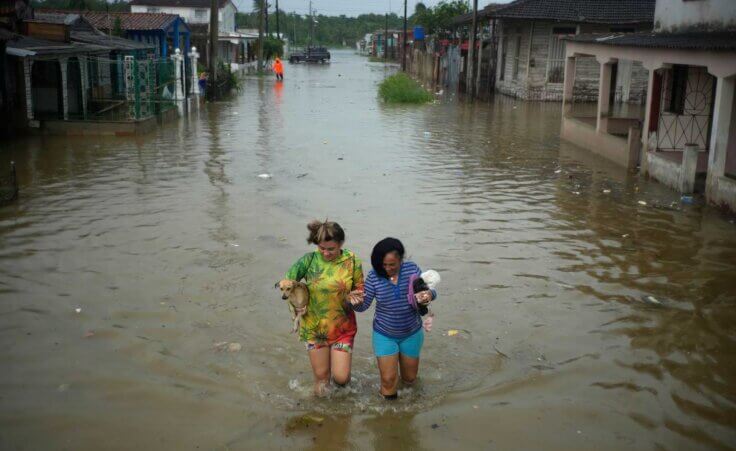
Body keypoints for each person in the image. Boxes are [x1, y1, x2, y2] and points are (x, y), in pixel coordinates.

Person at [284, 220, 363, 395]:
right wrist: (297, 306)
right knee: (322, 379)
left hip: (343, 328)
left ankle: (342, 406)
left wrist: (355, 298)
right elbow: (287, 283)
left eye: (331, 249)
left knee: (341, 378)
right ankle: (320, 418)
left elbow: (360, 289)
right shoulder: (309, 260)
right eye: (322, 248)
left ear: (341, 244)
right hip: (313, 328)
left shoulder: (352, 260)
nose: (326, 253)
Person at [352, 238, 436, 399]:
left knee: (410, 379)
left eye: (392, 265)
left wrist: (429, 295)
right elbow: (363, 306)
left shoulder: (412, 269)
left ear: (401, 260)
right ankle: (389, 416)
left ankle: (409, 410)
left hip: (412, 332)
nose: (387, 269)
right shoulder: (373, 276)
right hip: (384, 334)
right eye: (383, 265)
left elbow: (429, 291)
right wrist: (353, 302)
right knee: (389, 380)